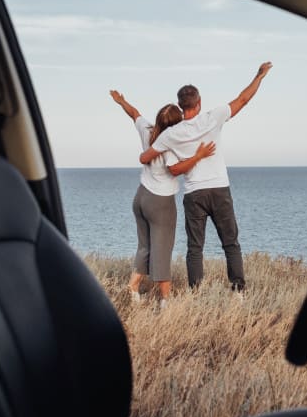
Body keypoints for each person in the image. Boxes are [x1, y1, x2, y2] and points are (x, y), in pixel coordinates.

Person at [139, 62, 273, 293]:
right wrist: (259, 76)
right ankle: (238, 292)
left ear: (180, 106)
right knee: (230, 243)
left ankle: (196, 293)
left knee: (195, 248)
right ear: (199, 103)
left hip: (194, 194)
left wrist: (161, 143)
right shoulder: (214, 117)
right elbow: (243, 99)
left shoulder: (171, 134)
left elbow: (145, 158)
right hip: (219, 189)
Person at [110, 90, 216, 307]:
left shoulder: (148, 130)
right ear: (176, 125)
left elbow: (134, 113)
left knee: (145, 247)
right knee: (162, 252)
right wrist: (198, 156)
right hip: (160, 203)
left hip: (141, 197)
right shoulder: (170, 146)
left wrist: (122, 101)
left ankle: (132, 288)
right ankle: (165, 301)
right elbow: (175, 170)